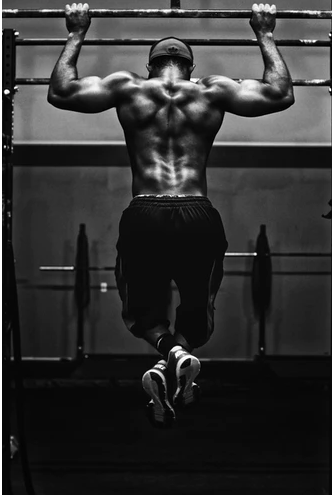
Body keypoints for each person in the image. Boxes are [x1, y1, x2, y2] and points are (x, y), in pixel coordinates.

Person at [48, 2, 294, 428]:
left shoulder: (127, 87)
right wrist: (265, 33)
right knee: (199, 312)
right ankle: (178, 357)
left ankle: (169, 356)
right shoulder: (213, 89)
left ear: (149, 66)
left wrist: (76, 31)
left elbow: (61, 92)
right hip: (198, 212)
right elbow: (280, 93)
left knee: (141, 313)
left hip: (145, 212)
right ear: (190, 65)